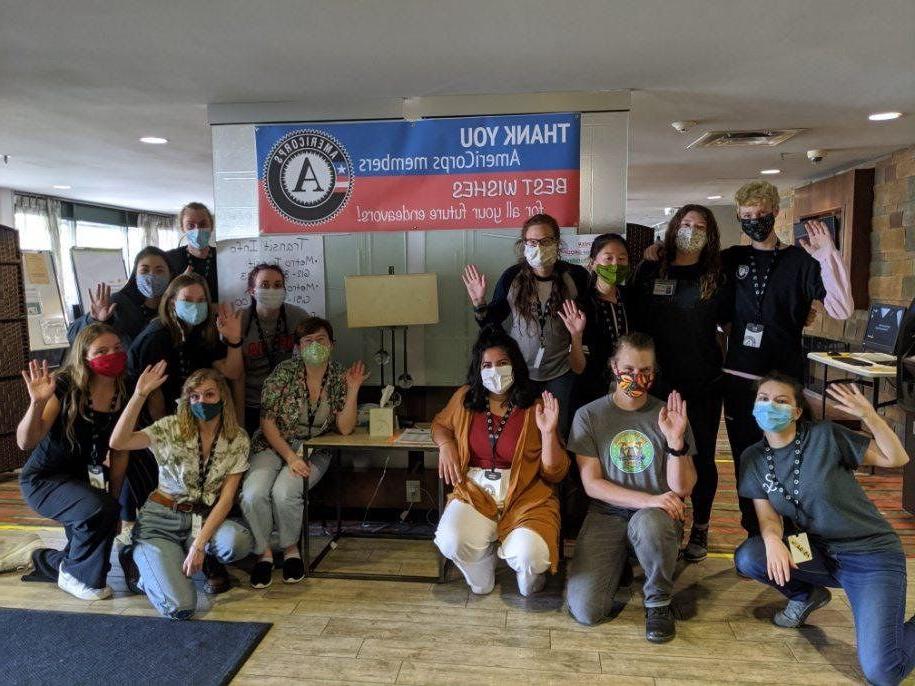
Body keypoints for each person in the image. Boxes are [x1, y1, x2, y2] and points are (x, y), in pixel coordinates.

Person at [734, 373, 914, 686]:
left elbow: (896, 458)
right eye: (763, 398)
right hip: (816, 549)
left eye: (780, 400)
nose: (769, 406)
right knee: (751, 555)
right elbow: (767, 517)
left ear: (797, 410)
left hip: (871, 555)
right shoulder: (753, 458)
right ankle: (806, 596)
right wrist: (774, 539)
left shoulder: (825, 436)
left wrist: (869, 416)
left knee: (883, 672)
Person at [720, 180, 853, 535]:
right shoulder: (731, 259)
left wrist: (828, 255)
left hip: (783, 383)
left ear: (775, 212)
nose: (755, 220)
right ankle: (757, 535)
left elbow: (841, 308)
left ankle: (797, 541)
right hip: (740, 379)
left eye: (762, 214)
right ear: (738, 216)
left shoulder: (800, 261)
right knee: (746, 461)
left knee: (793, 461)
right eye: (747, 215)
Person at [565, 333, 696, 643]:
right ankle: (621, 560)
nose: (637, 378)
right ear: (613, 367)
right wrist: (649, 498)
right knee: (586, 611)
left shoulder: (669, 414)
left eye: (646, 370)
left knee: (651, 523)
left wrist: (676, 442)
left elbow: (684, 487)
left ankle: (658, 601)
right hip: (607, 513)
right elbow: (592, 484)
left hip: (658, 516)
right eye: (629, 369)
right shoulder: (589, 415)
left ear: (655, 371)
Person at [432, 327, 569, 596]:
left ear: (515, 365)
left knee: (531, 562)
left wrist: (549, 432)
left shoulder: (536, 405)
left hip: (526, 495)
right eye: (487, 365)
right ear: (478, 369)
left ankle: (529, 577)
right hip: (475, 491)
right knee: (451, 541)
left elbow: (555, 473)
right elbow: (439, 424)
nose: (495, 371)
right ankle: (485, 565)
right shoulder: (465, 398)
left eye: (502, 363)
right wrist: (446, 444)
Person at [109, 364, 253, 620]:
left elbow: (227, 499)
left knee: (237, 541)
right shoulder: (170, 428)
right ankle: (138, 557)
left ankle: (187, 558)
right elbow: (119, 442)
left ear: (222, 397)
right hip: (162, 519)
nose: (202, 401)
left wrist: (199, 545)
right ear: (187, 400)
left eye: (209, 394)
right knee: (181, 608)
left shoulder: (237, 438)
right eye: (194, 396)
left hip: (202, 519)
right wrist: (139, 395)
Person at [631, 205, 730, 562]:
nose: (691, 230)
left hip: (702, 381)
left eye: (700, 226)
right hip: (656, 382)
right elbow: (633, 318)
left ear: (710, 233)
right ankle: (664, 522)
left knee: (699, 457)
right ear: (674, 227)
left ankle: (700, 528)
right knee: (657, 456)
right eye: (686, 224)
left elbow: (732, 321)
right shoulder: (651, 268)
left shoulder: (716, 274)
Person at [240, 316, 368, 588]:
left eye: (320, 340)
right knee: (254, 493)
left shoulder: (337, 376)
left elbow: (345, 429)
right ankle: (263, 554)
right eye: (307, 341)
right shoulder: (283, 373)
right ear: (297, 347)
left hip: (314, 448)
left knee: (285, 492)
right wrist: (290, 457)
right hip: (273, 446)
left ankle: (290, 551)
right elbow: (267, 421)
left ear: (331, 344)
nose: (314, 345)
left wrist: (354, 388)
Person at [123, 273, 242, 533]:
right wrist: (171, 435)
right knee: (155, 485)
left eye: (201, 300)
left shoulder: (202, 331)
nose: (195, 305)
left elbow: (232, 372)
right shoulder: (157, 336)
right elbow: (155, 398)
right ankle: (144, 540)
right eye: (188, 299)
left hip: (195, 414)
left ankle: (200, 535)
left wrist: (234, 340)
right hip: (158, 420)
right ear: (171, 301)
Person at [16, 324, 128, 600]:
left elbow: (120, 451)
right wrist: (37, 404)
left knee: (107, 510)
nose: (111, 355)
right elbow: (25, 442)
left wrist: (115, 500)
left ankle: (48, 562)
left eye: (116, 348)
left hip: (85, 476)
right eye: (101, 351)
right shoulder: (65, 386)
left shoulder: (124, 390)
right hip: (44, 480)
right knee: (99, 508)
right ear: (84, 356)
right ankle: (78, 576)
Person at [462, 213, 589, 437]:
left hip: (560, 370)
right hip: (521, 371)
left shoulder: (574, 276)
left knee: (558, 430)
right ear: (524, 245)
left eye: (546, 241)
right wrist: (479, 303)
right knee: (521, 430)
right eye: (532, 242)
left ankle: (556, 471)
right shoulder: (513, 277)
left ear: (557, 243)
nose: (538, 247)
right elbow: (490, 325)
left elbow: (585, 322)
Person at [238, 263, 310, 433]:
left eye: (278, 285)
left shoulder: (298, 316)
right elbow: (235, 374)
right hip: (251, 403)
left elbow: (311, 356)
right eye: (264, 285)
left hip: (286, 403)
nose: (272, 289)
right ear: (252, 291)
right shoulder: (240, 320)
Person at [67, 246, 172, 349]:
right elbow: (72, 336)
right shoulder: (118, 303)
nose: (151, 276)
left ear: (170, 274)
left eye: (159, 271)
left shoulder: (178, 305)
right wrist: (94, 320)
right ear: (135, 275)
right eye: (144, 271)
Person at [575, 232, 631, 405]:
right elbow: (578, 367)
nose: (615, 264)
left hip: (632, 387)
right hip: (593, 392)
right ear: (593, 263)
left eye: (622, 259)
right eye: (608, 258)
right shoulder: (581, 306)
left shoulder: (633, 299)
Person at [164, 202, 218, 298]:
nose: (197, 229)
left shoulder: (224, 256)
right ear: (182, 228)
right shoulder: (169, 259)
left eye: (203, 224)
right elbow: (162, 299)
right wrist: (179, 284)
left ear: (211, 226)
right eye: (190, 225)